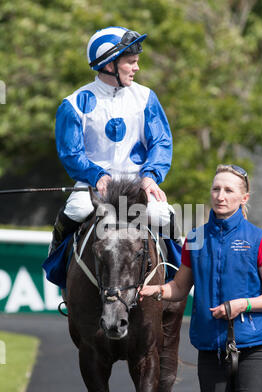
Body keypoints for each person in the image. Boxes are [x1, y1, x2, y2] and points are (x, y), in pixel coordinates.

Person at [139, 164, 262, 392]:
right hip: (210, 351)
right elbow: (180, 287)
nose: (220, 195)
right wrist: (156, 290)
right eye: (216, 189)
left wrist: (241, 305)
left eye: (229, 190)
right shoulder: (195, 237)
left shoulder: (260, 240)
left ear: (244, 198)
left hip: (253, 350)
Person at [49, 26, 178, 255]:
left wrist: (150, 176)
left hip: (137, 183)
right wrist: (96, 175)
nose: (136, 67)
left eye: (136, 61)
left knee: (164, 215)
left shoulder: (146, 97)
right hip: (95, 185)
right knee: (76, 210)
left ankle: (181, 273)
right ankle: (56, 258)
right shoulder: (73, 104)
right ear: (109, 65)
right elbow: (71, 153)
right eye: (131, 62)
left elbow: (161, 142)